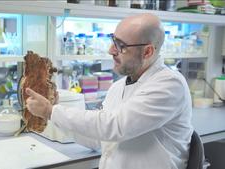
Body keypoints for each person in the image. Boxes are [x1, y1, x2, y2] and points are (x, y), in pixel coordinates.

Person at [25, 13, 193, 169]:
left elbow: (114, 126)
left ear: (147, 51)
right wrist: (55, 114)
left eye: (121, 45)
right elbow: (99, 138)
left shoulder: (170, 84)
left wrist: (50, 111)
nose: (110, 50)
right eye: (113, 40)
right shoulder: (118, 87)